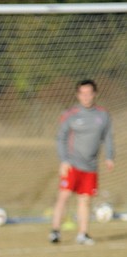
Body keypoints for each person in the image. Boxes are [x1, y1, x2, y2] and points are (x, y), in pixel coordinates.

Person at [49, 79, 115, 245]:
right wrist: (64, 160)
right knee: (64, 196)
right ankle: (55, 231)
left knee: (85, 200)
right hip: (72, 164)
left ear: (95, 94)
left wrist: (109, 156)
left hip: (91, 166)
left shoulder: (103, 114)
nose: (86, 97)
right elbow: (61, 138)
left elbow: (107, 137)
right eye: (82, 93)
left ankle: (83, 234)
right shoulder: (70, 114)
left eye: (89, 93)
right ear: (78, 95)